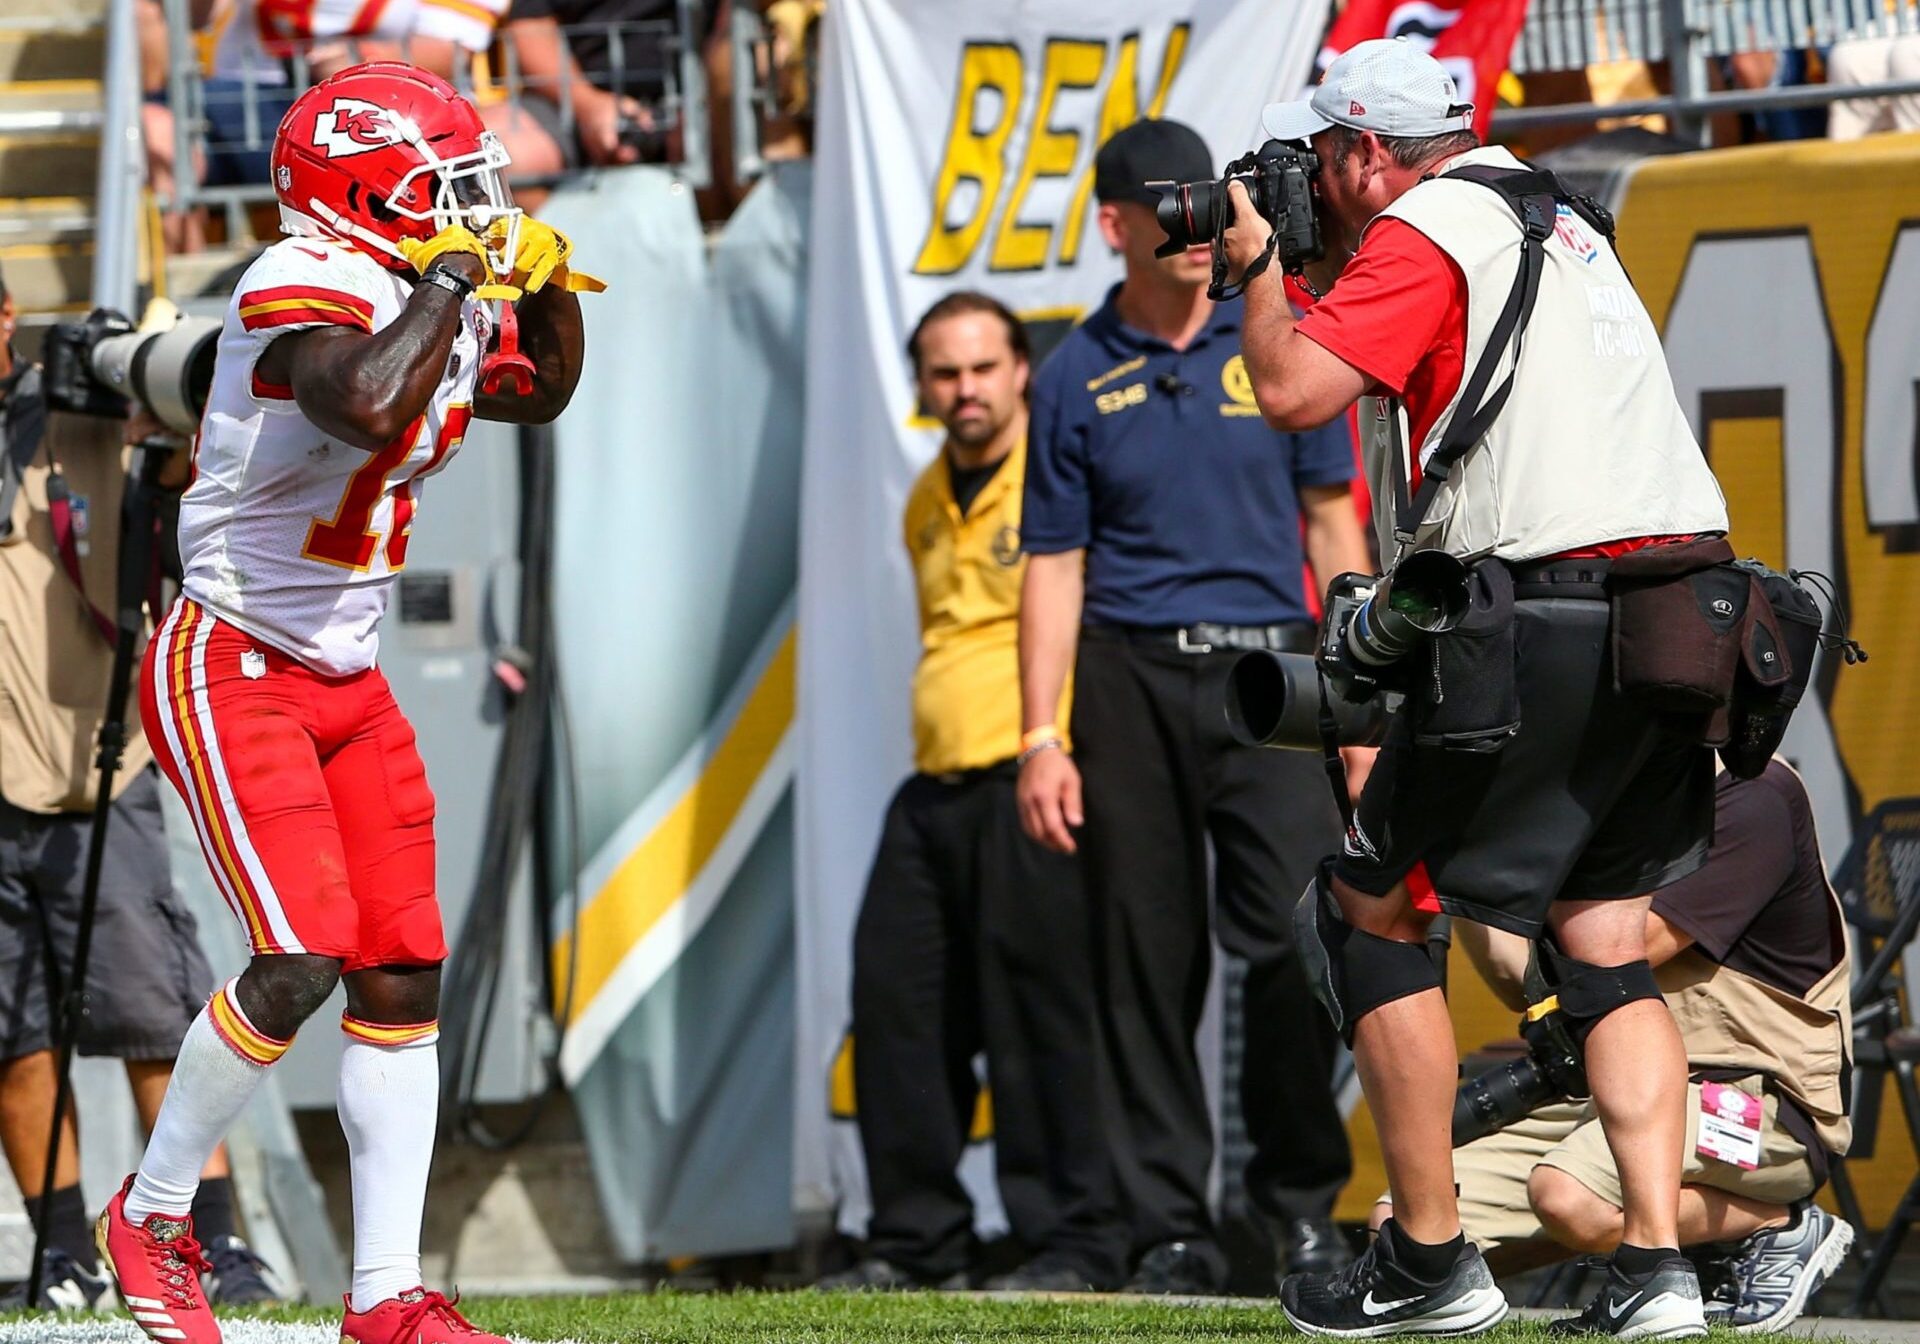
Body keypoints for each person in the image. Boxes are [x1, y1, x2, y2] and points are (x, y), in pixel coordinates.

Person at [1231, 37, 1732, 1337]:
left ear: (1362, 154)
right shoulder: (1559, 215)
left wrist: (1258, 269)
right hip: (1692, 605)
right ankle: (1659, 1268)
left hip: (1544, 610)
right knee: (1604, 933)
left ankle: (1431, 1259)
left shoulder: (1423, 228)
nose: (1311, 185)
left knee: (1368, 911)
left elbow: (1288, 389)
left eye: (1320, 162)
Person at [93, 61, 592, 1344]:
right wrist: (453, 279)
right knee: (302, 951)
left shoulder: (430, 284)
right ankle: (152, 1217)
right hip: (235, 654)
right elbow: (366, 400)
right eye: (447, 181)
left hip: (347, 672)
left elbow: (538, 391)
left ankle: (384, 1297)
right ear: (368, 188)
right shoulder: (294, 277)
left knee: (402, 966)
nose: (473, 202)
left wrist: (537, 286)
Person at [1017, 118, 1371, 1294]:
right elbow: (1053, 567)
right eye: (1163, 213)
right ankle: (1167, 1225)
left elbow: (1334, 526)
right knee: (1144, 955)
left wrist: (1361, 701)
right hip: (1128, 675)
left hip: (1271, 678)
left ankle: (1294, 1205)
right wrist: (1041, 736)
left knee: (1293, 939)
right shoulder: (1070, 375)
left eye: (1206, 208)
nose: (1193, 234)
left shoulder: (1269, 337)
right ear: (1113, 223)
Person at [822, 293, 1119, 1295]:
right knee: (897, 1004)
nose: (966, 390)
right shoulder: (924, 497)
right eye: (945, 374)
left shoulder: (1060, 471)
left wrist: (1059, 747)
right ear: (921, 387)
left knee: (1040, 1014)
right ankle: (913, 1240)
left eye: (984, 368)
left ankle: (1069, 1240)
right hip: (936, 781)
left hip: (1032, 773)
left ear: (1021, 370)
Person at [0, 282, 275, 1310]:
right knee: (12, 1034)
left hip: (94, 769)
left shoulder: (81, 413)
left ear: (8, 316)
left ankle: (211, 1244)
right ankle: (62, 1253)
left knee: (156, 1013)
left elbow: (190, 443)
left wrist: (147, 381)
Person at [1383, 760, 1853, 1332]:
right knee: (1409, 1222)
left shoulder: (1753, 795)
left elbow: (1617, 957)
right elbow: (1523, 984)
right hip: (1616, 1089)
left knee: (1571, 1199)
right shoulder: (1612, 801)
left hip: (1764, 1108)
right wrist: (1451, 855)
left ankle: (1779, 1222)